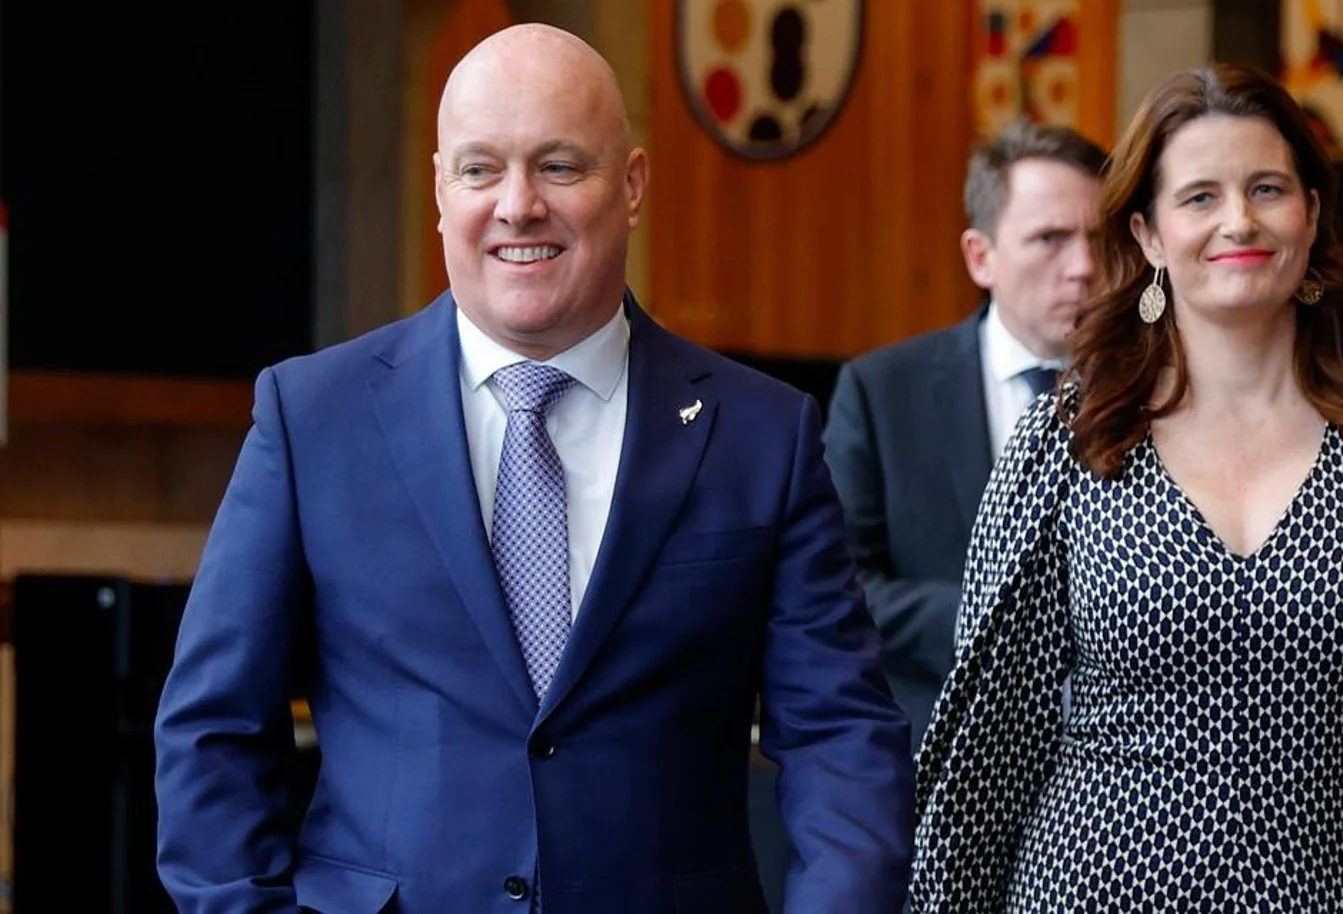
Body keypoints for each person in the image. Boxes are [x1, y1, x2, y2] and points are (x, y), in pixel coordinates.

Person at [153, 23, 914, 913]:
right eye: (480, 169)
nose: (517, 206)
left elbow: (840, 737)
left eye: (558, 166)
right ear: (440, 191)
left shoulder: (763, 436)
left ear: (632, 185)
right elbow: (214, 729)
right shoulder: (312, 418)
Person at [910, 63, 1343, 912]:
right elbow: (992, 739)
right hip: (1088, 890)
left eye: (1267, 188)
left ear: (1311, 213)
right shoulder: (1065, 440)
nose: (1239, 219)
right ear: (1150, 236)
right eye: (1200, 196)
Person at [822, 120, 1106, 749]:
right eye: (1050, 239)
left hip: (1119, 767)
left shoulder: (1162, 395)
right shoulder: (882, 393)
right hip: (942, 751)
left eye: (1099, 238)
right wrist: (1006, 624)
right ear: (981, 257)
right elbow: (836, 584)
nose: (1084, 267)